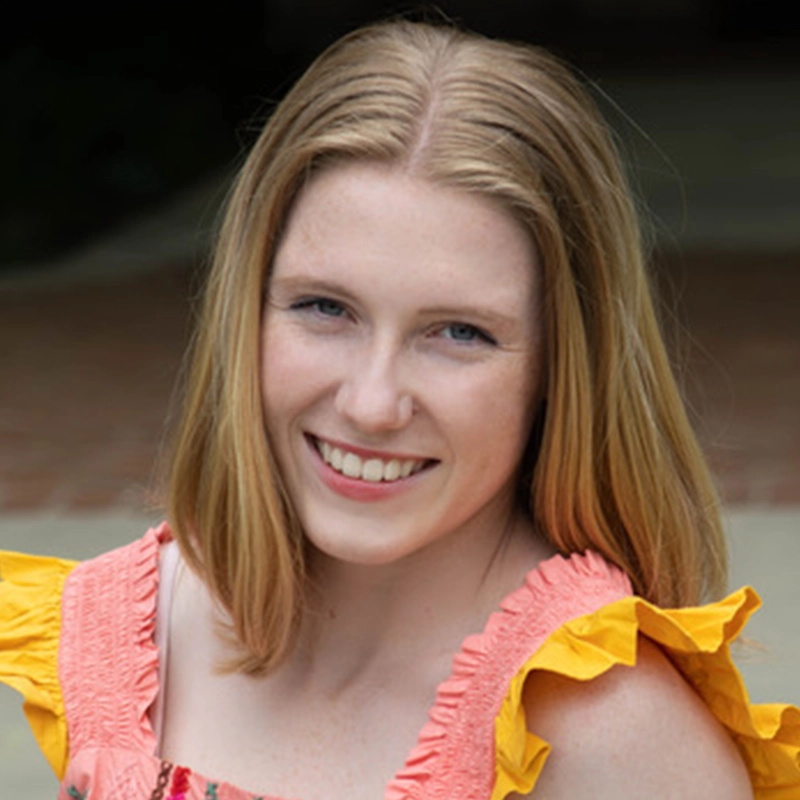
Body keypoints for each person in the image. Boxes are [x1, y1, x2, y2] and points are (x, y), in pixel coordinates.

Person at [1, 18, 799, 800]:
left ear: (563, 366)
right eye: (324, 308)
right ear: (246, 310)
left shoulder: (614, 741)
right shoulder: (131, 633)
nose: (373, 403)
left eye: (459, 332)